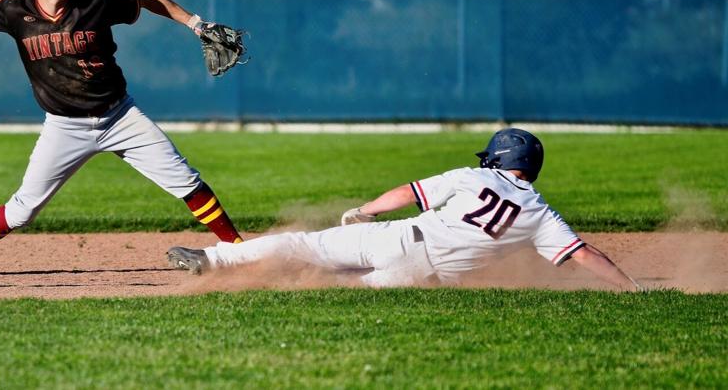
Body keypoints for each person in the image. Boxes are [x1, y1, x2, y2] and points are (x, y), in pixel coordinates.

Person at [0, 0, 245, 288]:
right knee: (22, 210)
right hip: (64, 126)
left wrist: (196, 24)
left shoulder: (94, 2)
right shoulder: (15, 11)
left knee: (187, 181)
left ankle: (238, 251)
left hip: (120, 117)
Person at [167, 128, 642, 291]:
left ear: (498, 158)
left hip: (398, 238)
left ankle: (214, 260)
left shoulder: (472, 176)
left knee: (302, 244)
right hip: (422, 278)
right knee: (337, 288)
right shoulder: (540, 214)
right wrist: (631, 288)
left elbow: (408, 194)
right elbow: (582, 255)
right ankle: (274, 280)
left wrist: (365, 210)